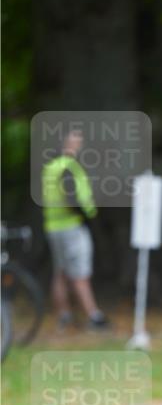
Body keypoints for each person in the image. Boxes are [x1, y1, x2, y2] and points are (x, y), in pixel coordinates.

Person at [42, 128, 109, 330]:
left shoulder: (50, 167)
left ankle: (64, 315)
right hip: (72, 225)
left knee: (61, 272)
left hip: (53, 226)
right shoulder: (69, 167)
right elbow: (72, 197)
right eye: (75, 141)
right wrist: (87, 215)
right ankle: (93, 316)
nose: (79, 145)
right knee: (80, 273)